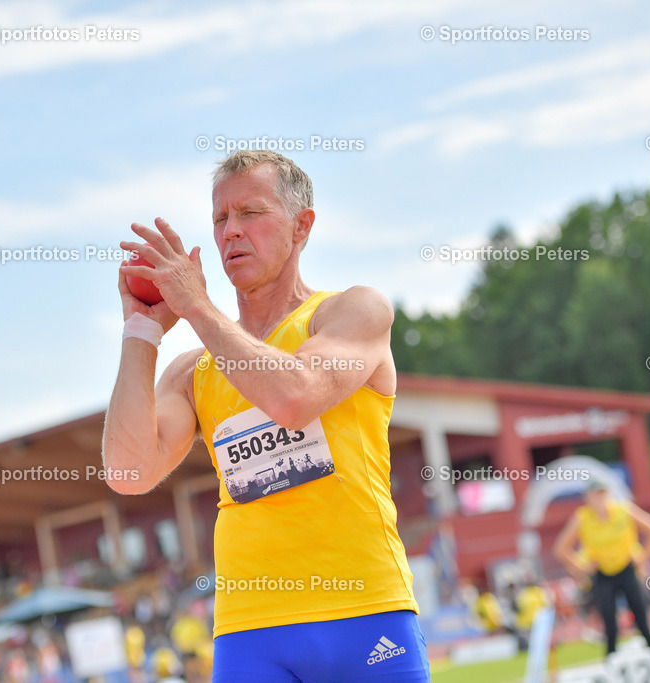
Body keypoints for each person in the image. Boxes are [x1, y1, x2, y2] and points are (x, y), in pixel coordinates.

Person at [103, 150, 428, 680]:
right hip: (250, 630)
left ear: (302, 226)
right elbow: (128, 472)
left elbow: (294, 398)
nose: (231, 231)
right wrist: (140, 333)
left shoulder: (351, 312)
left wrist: (198, 309)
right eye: (219, 218)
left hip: (365, 611)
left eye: (250, 213)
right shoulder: (194, 371)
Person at [554, 480, 650, 665]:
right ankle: (610, 664)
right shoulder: (582, 518)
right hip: (602, 574)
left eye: (603, 493)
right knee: (609, 624)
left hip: (627, 569)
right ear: (587, 498)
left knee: (641, 618)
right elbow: (561, 549)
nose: (600, 498)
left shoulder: (623, 510)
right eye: (596, 494)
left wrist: (643, 558)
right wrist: (582, 567)